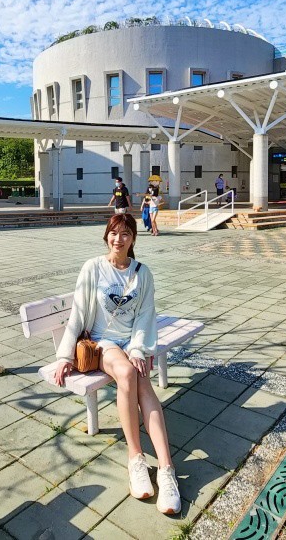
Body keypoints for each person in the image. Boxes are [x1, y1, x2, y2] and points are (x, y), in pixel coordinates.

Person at [52, 214, 180, 515]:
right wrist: (64, 355)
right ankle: (135, 458)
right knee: (124, 372)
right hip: (103, 343)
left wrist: (138, 349)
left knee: (139, 380)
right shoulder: (94, 268)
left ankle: (166, 469)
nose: (118, 239)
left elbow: (145, 315)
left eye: (125, 234)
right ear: (106, 236)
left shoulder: (142, 273)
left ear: (133, 238)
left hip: (130, 344)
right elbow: (79, 312)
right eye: (113, 233)